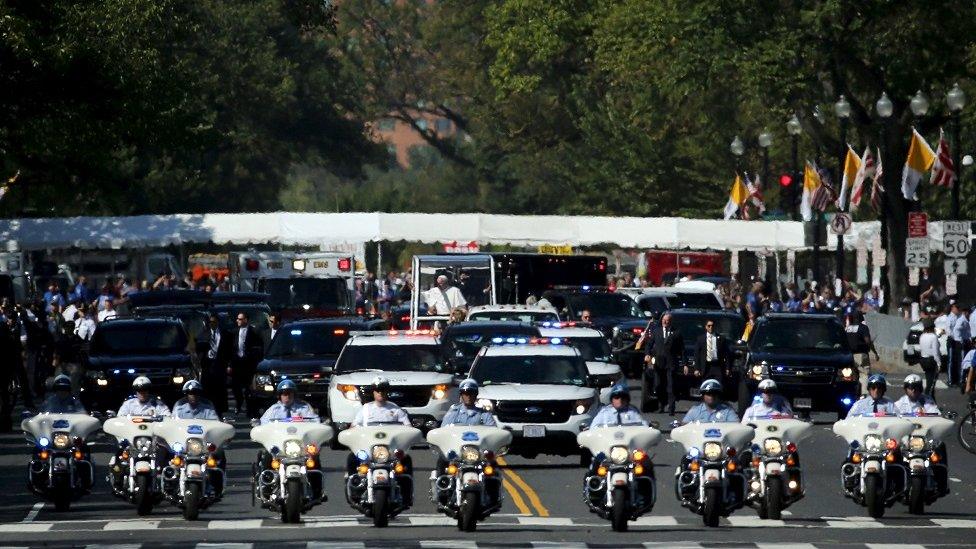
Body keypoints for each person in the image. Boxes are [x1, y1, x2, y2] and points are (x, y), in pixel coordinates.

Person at [346, 376, 413, 505]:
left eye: (383, 389)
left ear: (387, 391)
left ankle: (406, 496)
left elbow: (408, 428)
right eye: (377, 390)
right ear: (373, 392)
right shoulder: (365, 409)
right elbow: (353, 428)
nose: (380, 392)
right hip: (369, 452)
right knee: (351, 458)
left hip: (390, 452)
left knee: (406, 460)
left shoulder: (396, 410)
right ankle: (355, 489)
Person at [645, 312, 684, 415]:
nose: (666, 322)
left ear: (671, 321)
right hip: (659, 363)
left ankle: (671, 408)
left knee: (670, 386)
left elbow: (682, 350)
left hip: (671, 363)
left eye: (668, 320)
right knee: (658, 385)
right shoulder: (656, 331)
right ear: (662, 320)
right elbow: (649, 344)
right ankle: (661, 406)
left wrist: (685, 364)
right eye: (664, 320)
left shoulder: (676, 333)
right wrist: (647, 354)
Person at [228, 312, 263, 415]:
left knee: (248, 387)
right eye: (237, 319)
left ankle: (249, 408)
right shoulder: (234, 332)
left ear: (246, 320)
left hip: (248, 364)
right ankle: (239, 403)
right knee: (236, 387)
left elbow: (258, 348)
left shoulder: (254, 332)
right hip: (236, 363)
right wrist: (229, 364)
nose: (238, 321)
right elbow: (230, 350)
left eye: (240, 319)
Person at [845, 311, 879, 395]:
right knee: (864, 374)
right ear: (861, 318)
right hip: (861, 354)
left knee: (851, 376)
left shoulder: (847, 328)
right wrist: (875, 352)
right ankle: (864, 395)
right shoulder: (863, 327)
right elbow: (867, 341)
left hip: (849, 356)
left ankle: (852, 393)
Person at [202, 313, 230, 415]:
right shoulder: (204, 334)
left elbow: (229, 351)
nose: (212, 324)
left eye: (214, 322)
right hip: (207, 366)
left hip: (220, 366)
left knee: (219, 391)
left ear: (218, 322)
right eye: (210, 322)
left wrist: (228, 365)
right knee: (208, 391)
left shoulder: (225, 334)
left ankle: (219, 412)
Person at [948, 302, 971, 388]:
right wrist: (960, 341)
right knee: (962, 361)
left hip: (965, 342)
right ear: (965, 312)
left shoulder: (964, 319)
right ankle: (961, 380)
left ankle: (961, 379)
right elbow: (956, 330)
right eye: (968, 312)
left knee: (963, 361)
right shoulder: (961, 320)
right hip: (961, 343)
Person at [918, 319, 941, 397]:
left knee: (929, 379)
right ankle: (927, 399)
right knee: (931, 384)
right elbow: (935, 352)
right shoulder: (933, 337)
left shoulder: (922, 336)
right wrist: (939, 363)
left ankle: (930, 400)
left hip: (923, 359)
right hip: (931, 360)